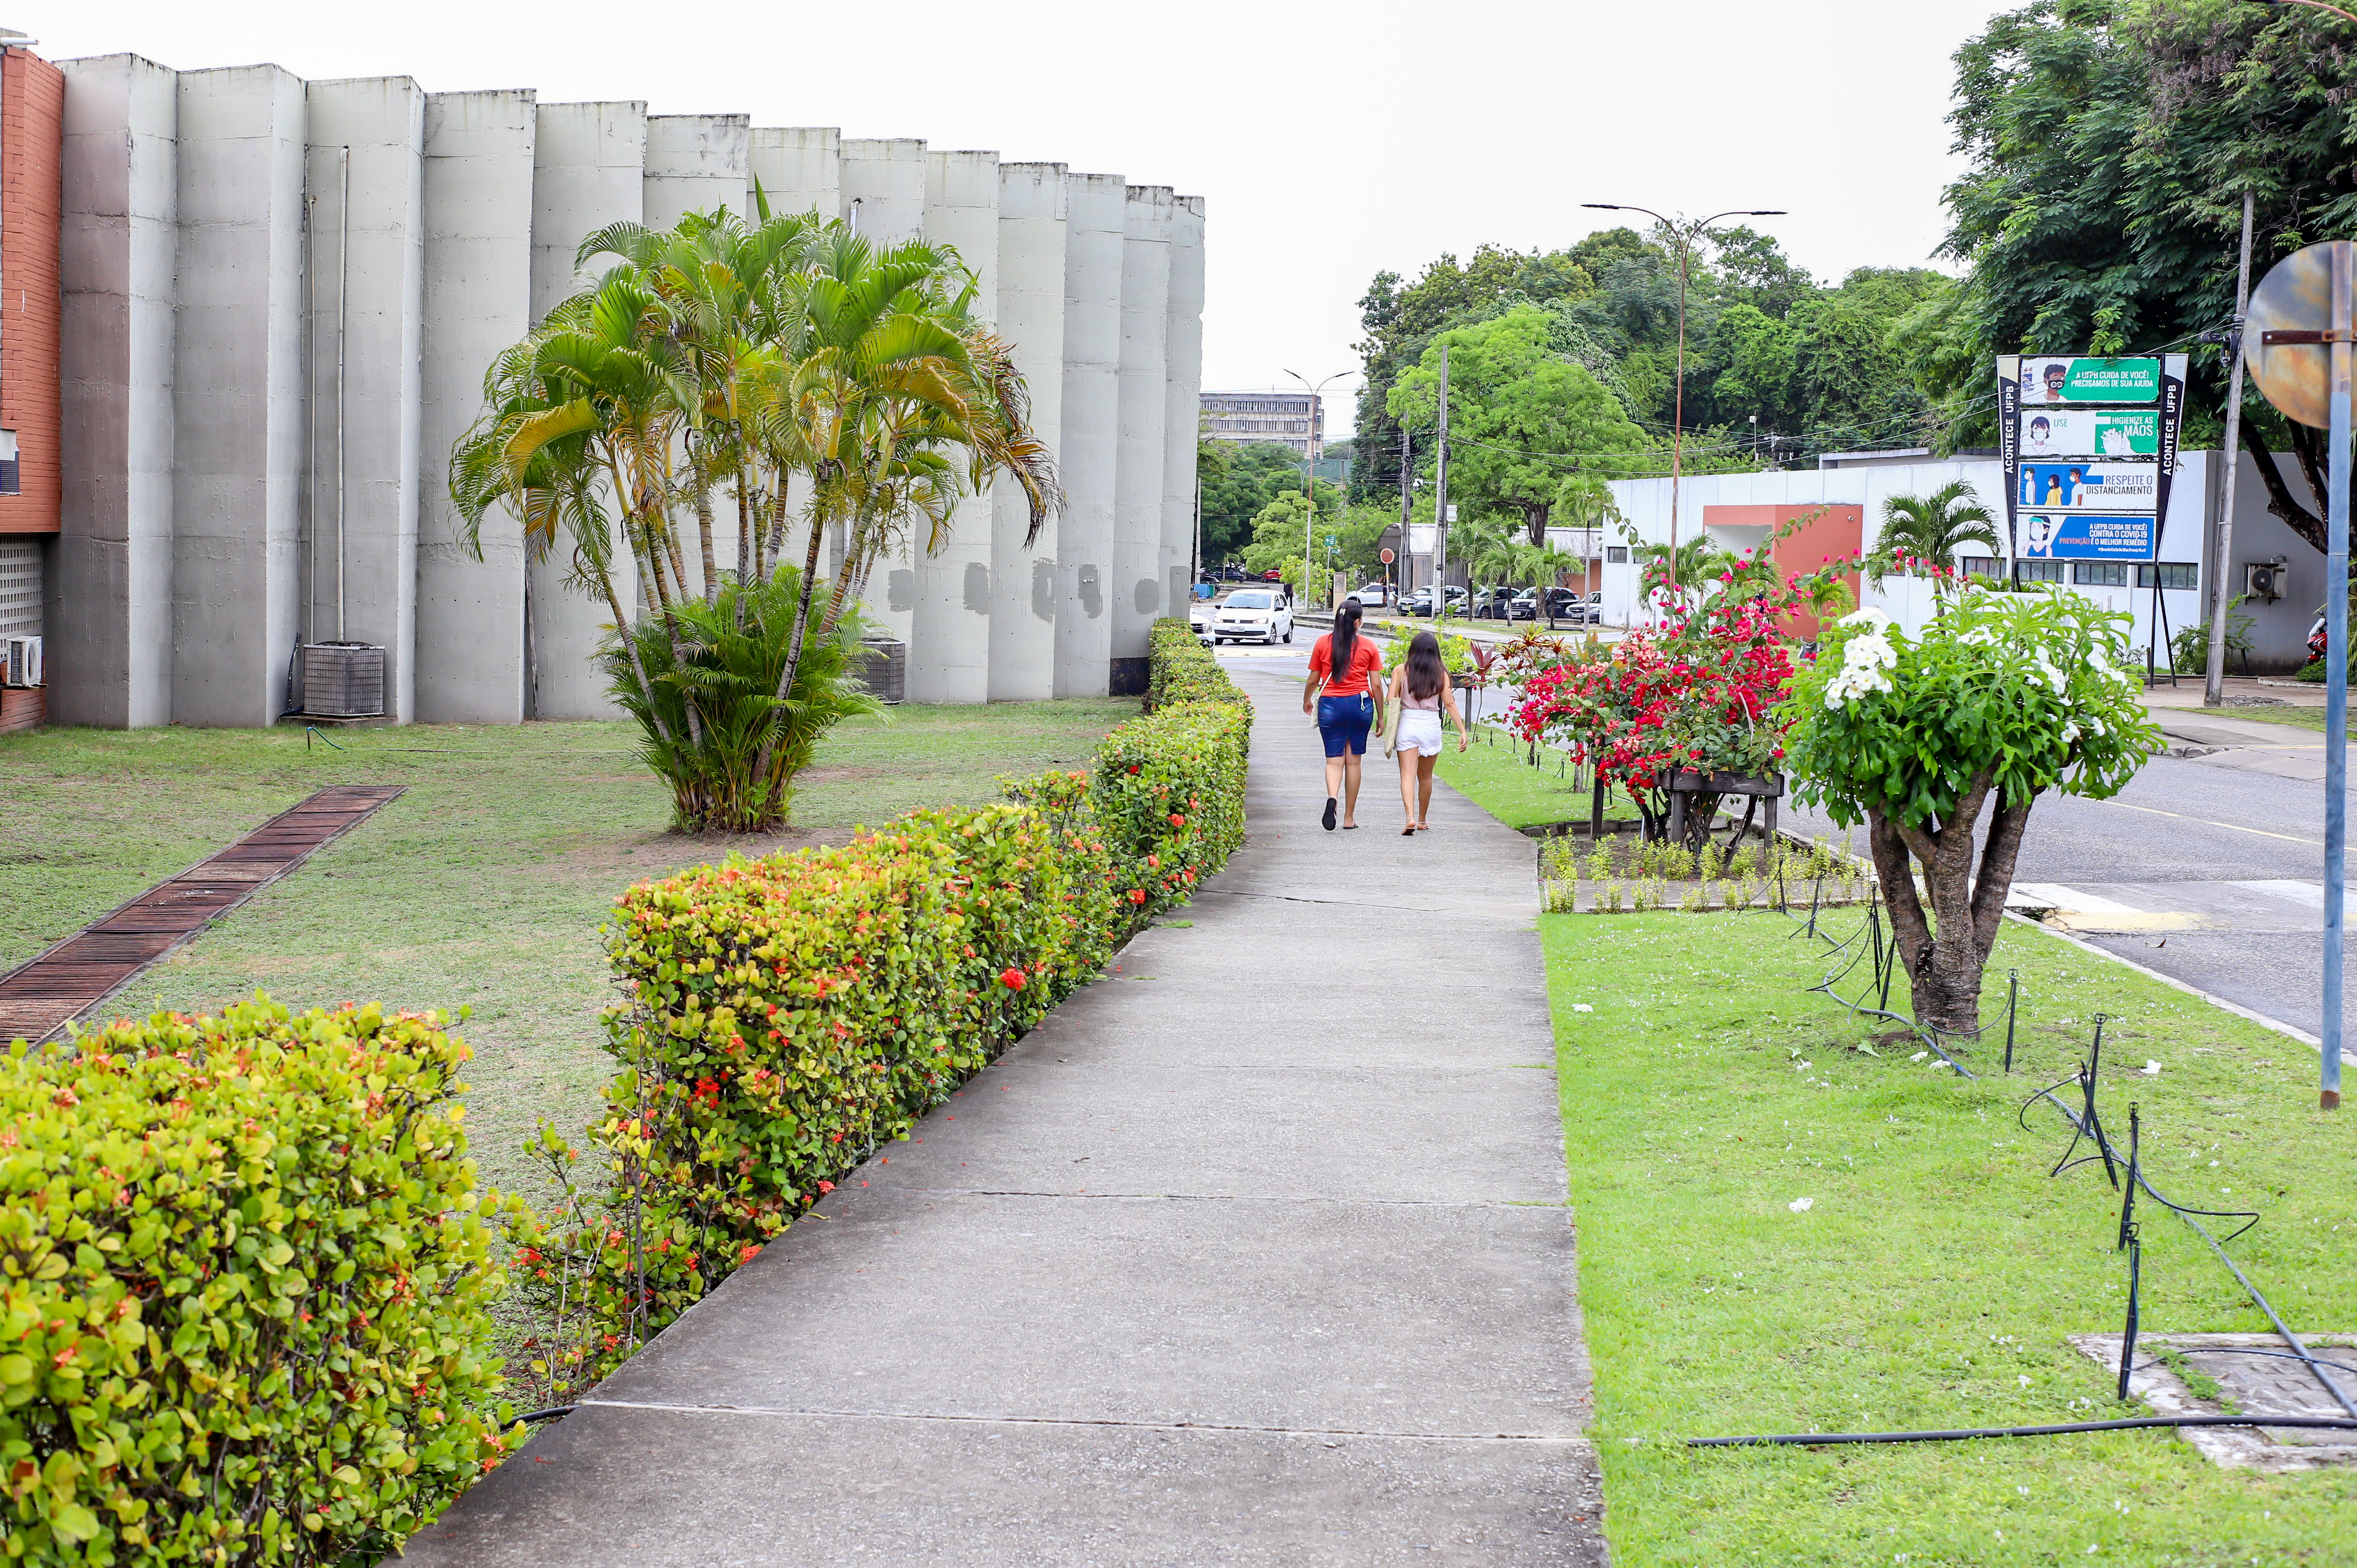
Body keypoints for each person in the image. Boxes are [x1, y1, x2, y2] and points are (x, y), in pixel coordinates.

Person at [1303, 598, 1385, 830]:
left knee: (1334, 760)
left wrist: (1307, 699)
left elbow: (1313, 679)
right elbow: (1377, 685)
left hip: (1331, 705)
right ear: (1358, 622)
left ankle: (1333, 798)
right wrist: (1381, 715)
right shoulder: (1369, 646)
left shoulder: (1322, 643)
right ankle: (1349, 818)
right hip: (1360, 705)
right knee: (1354, 762)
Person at [1385, 629, 1469, 834]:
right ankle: (1422, 819)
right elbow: (1449, 703)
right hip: (1431, 723)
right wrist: (1462, 730)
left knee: (1407, 775)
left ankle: (1410, 817)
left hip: (1408, 722)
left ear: (1413, 650)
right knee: (1426, 777)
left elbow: (1390, 699)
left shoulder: (1401, 670)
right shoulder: (1441, 673)